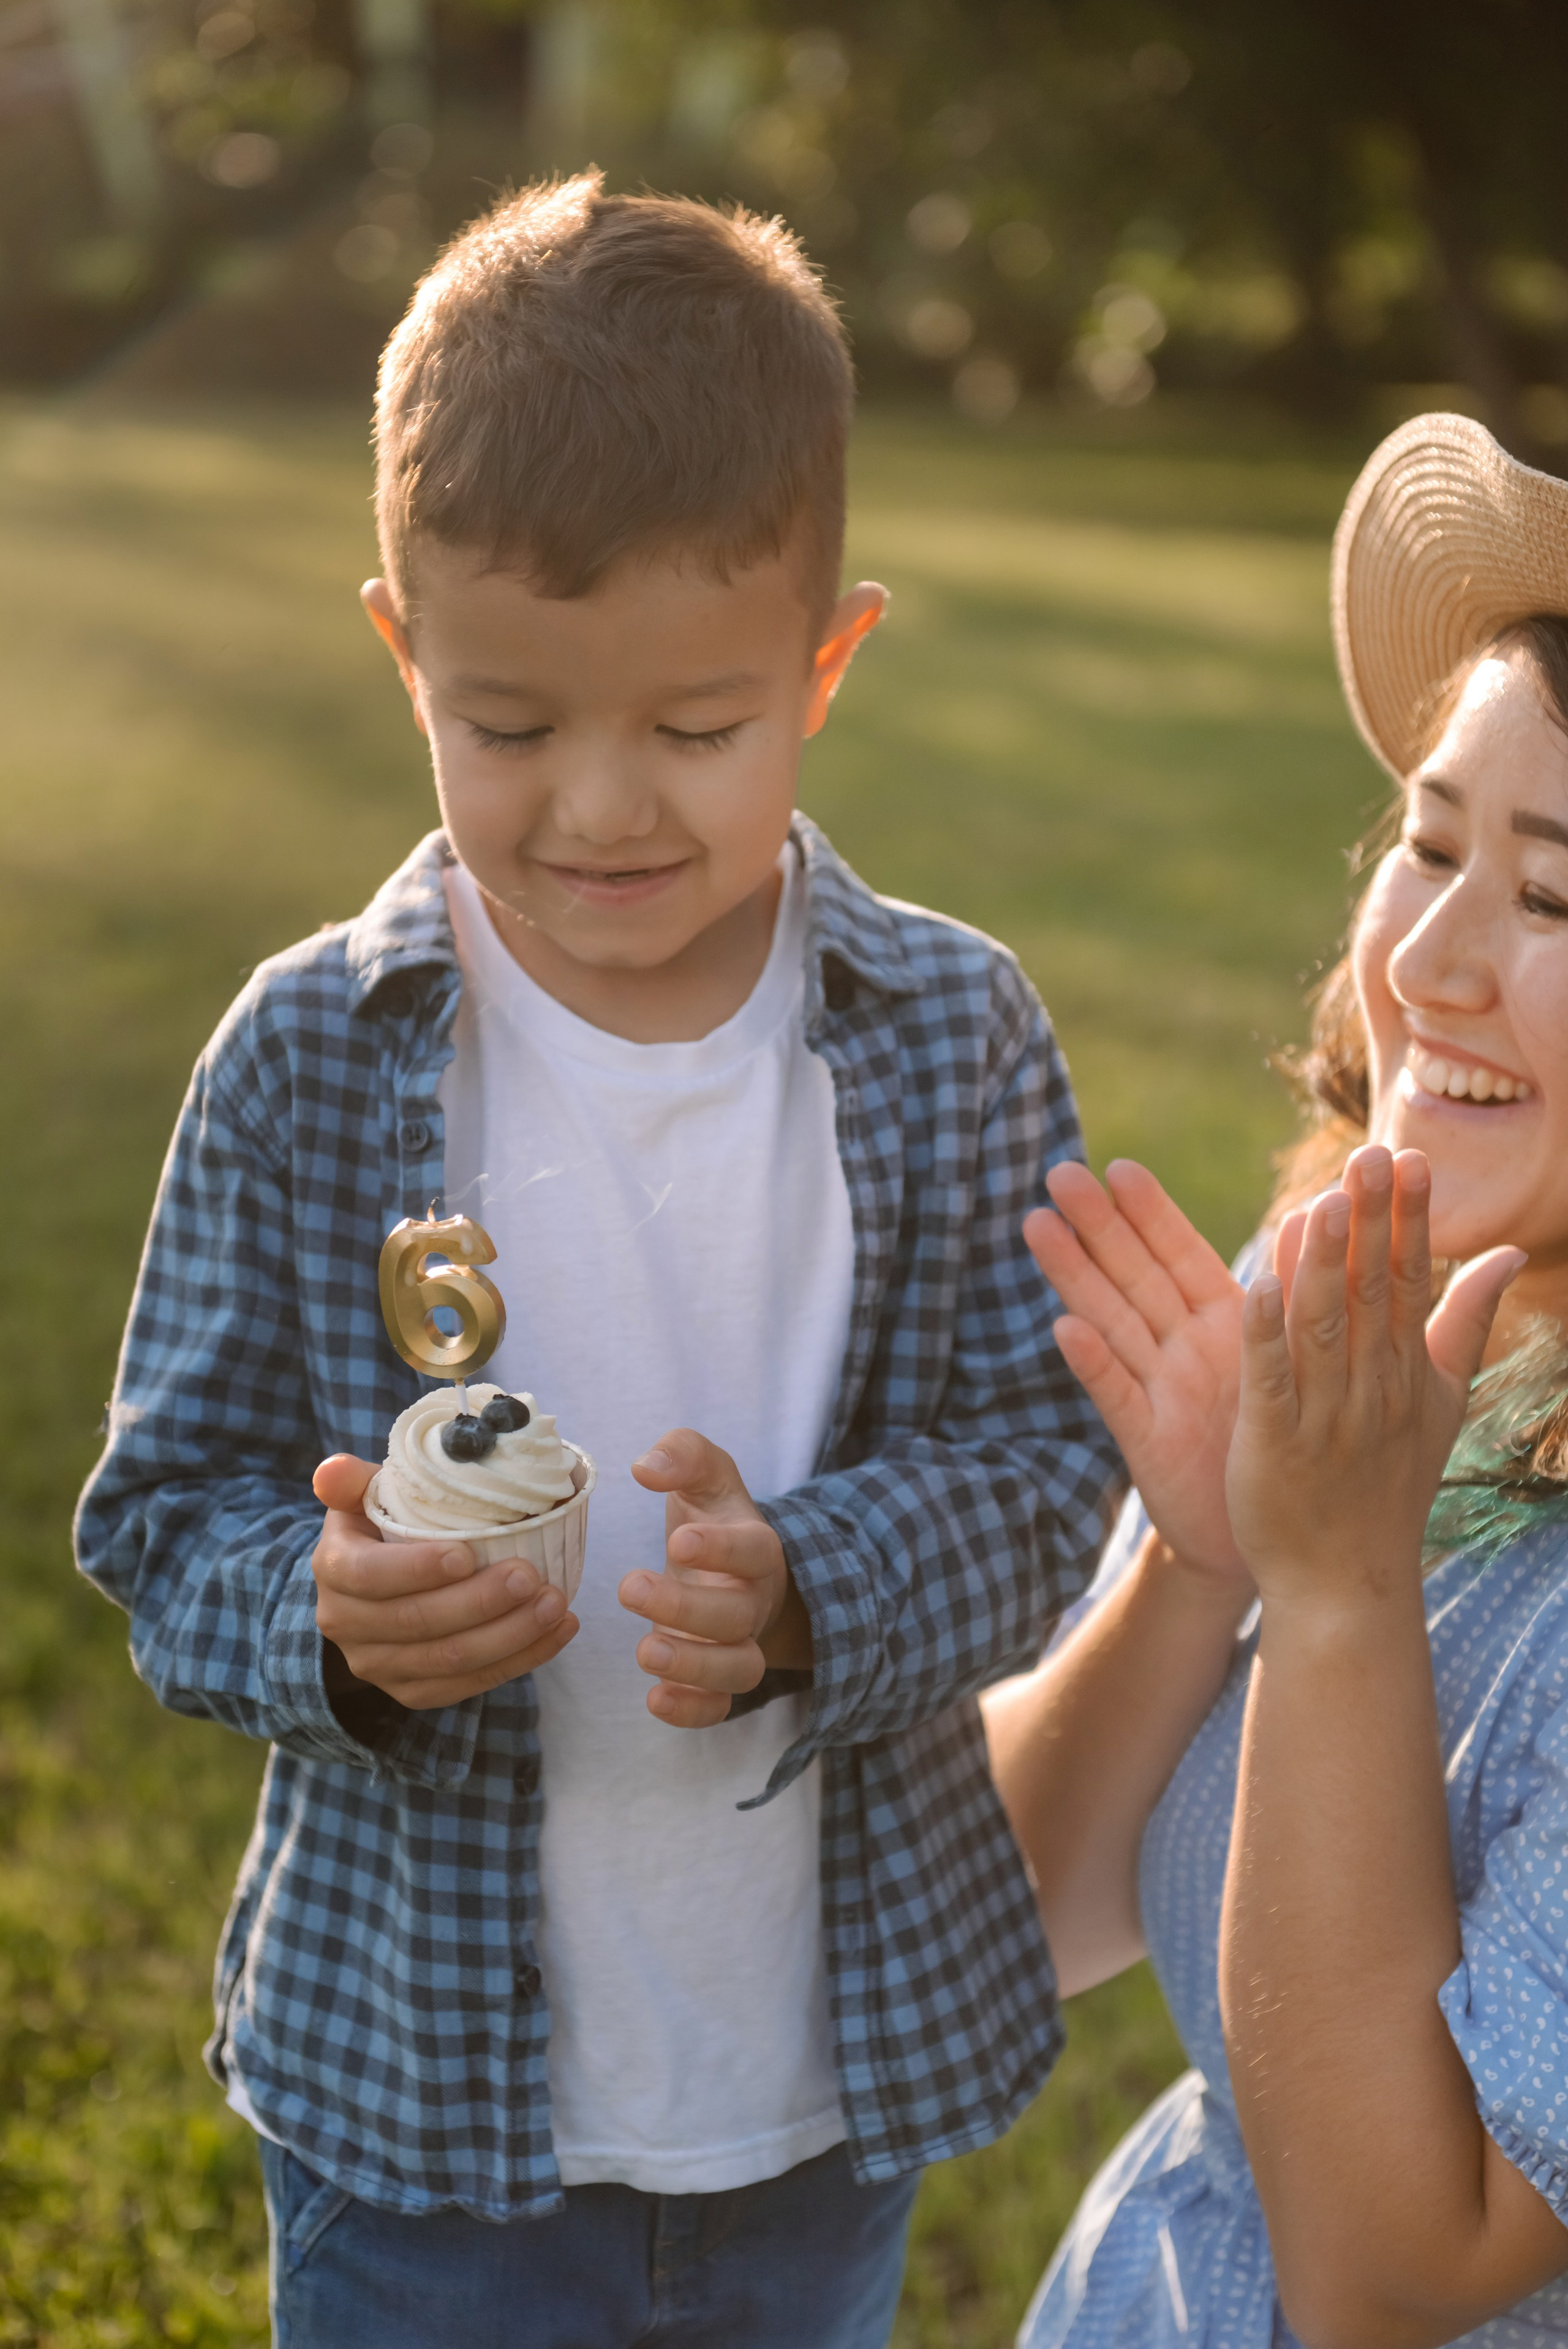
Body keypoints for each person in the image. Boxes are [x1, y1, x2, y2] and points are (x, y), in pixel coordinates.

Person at [74, 174, 1117, 2347]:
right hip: (418, 2107)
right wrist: (334, 1620)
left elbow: (1045, 1466)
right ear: (401, 650)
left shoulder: (952, 1033)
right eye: (511, 725)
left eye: (700, 728)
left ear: (829, 661)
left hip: (809, 2100)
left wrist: (820, 1581)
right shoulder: (307, 1050)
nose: (601, 810)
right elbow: (168, 1519)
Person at [986, 412, 1568, 2349]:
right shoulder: (1360, 1277)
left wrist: (1336, 1588)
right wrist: (1207, 1555)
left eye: (1552, 897)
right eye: (1428, 841)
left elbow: (1393, 2278)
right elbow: (1034, 1910)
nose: (1431, 964)